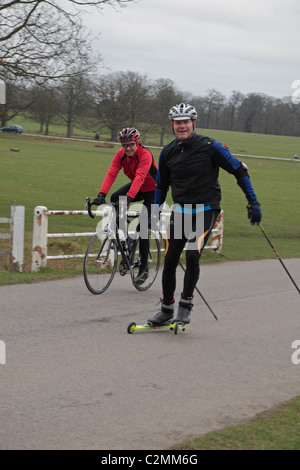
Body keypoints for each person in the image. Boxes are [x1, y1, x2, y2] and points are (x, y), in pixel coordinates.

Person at [147, 103, 262, 326]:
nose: (182, 126)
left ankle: (185, 306)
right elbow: (161, 186)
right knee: (169, 260)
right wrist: (153, 212)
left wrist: (253, 201)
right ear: (172, 125)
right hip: (180, 212)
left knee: (192, 254)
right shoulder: (167, 152)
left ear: (193, 123)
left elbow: (239, 170)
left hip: (206, 210)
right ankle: (166, 309)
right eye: (177, 122)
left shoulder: (210, 146)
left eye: (185, 122)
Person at [92, 127, 158, 284]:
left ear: (137, 142)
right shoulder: (120, 155)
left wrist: (129, 197)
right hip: (138, 187)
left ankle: (143, 269)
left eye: (131, 144)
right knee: (115, 198)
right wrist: (101, 194)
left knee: (142, 227)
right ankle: (125, 238)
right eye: (124, 145)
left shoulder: (145, 154)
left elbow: (141, 177)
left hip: (154, 190)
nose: (128, 148)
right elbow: (111, 173)